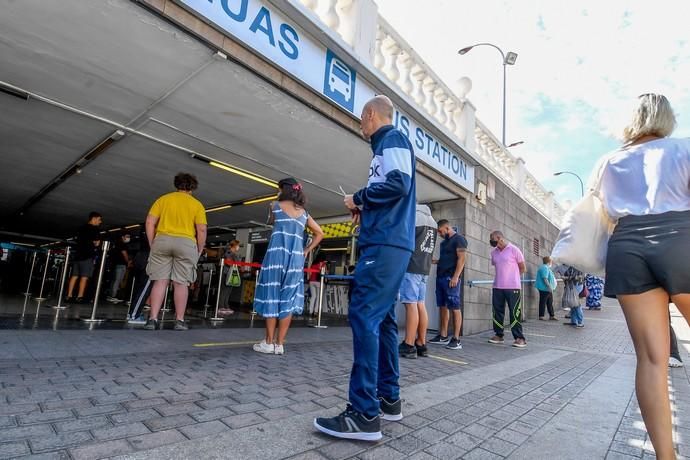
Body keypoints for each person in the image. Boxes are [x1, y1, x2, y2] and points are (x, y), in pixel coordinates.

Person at [587, 93, 690, 459]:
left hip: (627, 243)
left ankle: (666, 456)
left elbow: (601, 213)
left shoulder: (608, 162)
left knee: (651, 359)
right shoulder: (683, 148)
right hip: (681, 234)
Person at [314, 95, 416, 441]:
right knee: (383, 319)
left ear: (371, 114)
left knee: (364, 316)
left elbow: (399, 183)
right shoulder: (387, 145)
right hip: (388, 241)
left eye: (361, 118)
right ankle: (388, 398)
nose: (360, 125)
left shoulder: (392, 139)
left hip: (384, 244)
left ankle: (363, 414)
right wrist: (367, 206)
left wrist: (358, 198)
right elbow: (392, 189)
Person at [253, 178, 323, 355]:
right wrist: (306, 250)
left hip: (276, 256)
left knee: (271, 295)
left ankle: (268, 342)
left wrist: (276, 201)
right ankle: (279, 343)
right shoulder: (304, 213)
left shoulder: (274, 205)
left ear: (282, 190)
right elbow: (320, 233)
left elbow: (271, 221)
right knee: (288, 299)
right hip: (295, 260)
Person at [144, 173, 207, 331]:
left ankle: (152, 319)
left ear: (176, 185)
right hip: (186, 243)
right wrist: (199, 248)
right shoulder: (196, 204)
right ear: (192, 187)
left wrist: (153, 242)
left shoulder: (163, 199)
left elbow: (150, 222)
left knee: (160, 281)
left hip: (162, 240)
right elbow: (201, 229)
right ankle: (179, 320)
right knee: (181, 283)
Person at [399, 205, 438, 359]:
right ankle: (421, 343)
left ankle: (408, 344)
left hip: (412, 266)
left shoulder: (412, 217)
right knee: (420, 303)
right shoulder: (432, 221)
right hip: (425, 267)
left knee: (410, 304)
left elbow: (404, 242)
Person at [428, 220, 467, 350]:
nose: (439, 234)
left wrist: (456, 277)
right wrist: (436, 261)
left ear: (447, 227)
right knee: (442, 306)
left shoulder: (459, 239)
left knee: (455, 307)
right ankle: (443, 336)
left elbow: (462, 259)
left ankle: (456, 339)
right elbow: (448, 259)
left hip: (451, 278)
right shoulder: (444, 243)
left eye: (440, 231)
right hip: (441, 277)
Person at [488, 231, 527, 348]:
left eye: (493, 239)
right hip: (497, 287)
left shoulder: (514, 250)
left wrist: (513, 277)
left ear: (500, 238)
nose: (491, 241)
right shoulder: (493, 253)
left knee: (514, 313)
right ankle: (498, 335)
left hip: (513, 287)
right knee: (497, 312)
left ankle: (519, 338)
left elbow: (523, 268)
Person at [65, 212, 102, 303]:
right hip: (87, 256)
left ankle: (69, 296)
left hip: (77, 255)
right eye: (99, 219)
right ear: (94, 218)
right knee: (84, 277)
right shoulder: (95, 229)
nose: (100, 222)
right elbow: (97, 243)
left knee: (74, 276)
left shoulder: (81, 228)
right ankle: (80, 296)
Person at [218, 240, 242, 316]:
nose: (238, 247)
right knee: (224, 290)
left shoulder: (234, 254)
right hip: (226, 273)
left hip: (231, 274)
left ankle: (226, 305)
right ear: (234, 246)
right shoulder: (228, 253)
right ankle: (221, 306)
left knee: (228, 291)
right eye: (238, 245)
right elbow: (228, 262)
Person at [106, 233, 132, 303]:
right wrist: (128, 262)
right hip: (121, 265)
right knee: (118, 280)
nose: (128, 238)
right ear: (122, 237)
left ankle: (111, 295)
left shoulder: (116, 244)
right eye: (127, 236)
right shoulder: (122, 244)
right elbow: (124, 254)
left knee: (114, 280)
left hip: (115, 264)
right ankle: (113, 296)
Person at [535, 256, 557, 320]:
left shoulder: (546, 268)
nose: (552, 262)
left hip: (547, 288)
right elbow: (545, 278)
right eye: (551, 261)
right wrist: (549, 287)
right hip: (545, 288)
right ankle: (541, 316)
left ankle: (552, 315)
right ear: (549, 261)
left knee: (549, 302)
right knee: (543, 302)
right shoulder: (544, 268)